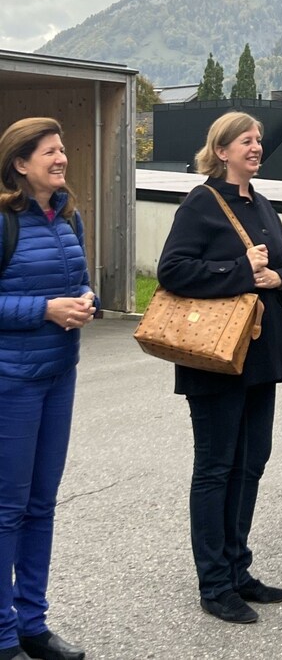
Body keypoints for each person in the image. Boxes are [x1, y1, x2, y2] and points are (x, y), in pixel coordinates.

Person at [157, 112, 282, 624]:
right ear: (222, 150)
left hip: (259, 356)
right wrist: (243, 272)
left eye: (259, 140)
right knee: (216, 468)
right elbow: (172, 270)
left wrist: (272, 277)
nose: (256, 147)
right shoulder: (201, 202)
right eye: (247, 140)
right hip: (215, 358)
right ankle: (214, 583)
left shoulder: (261, 204)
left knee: (251, 463)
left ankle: (239, 569)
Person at [0, 117, 96, 660]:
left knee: (42, 504)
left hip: (60, 373)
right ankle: (2, 633)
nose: (61, 159)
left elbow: (73, 284)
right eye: (49, 152)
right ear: (20, 162)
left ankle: (32, 621)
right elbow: (34, 299)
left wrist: (84, 301)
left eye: (62, 150)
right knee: (7, 509)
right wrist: (43, 309)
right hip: (11, 380)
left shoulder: (68, 216)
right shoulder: (3, 220)